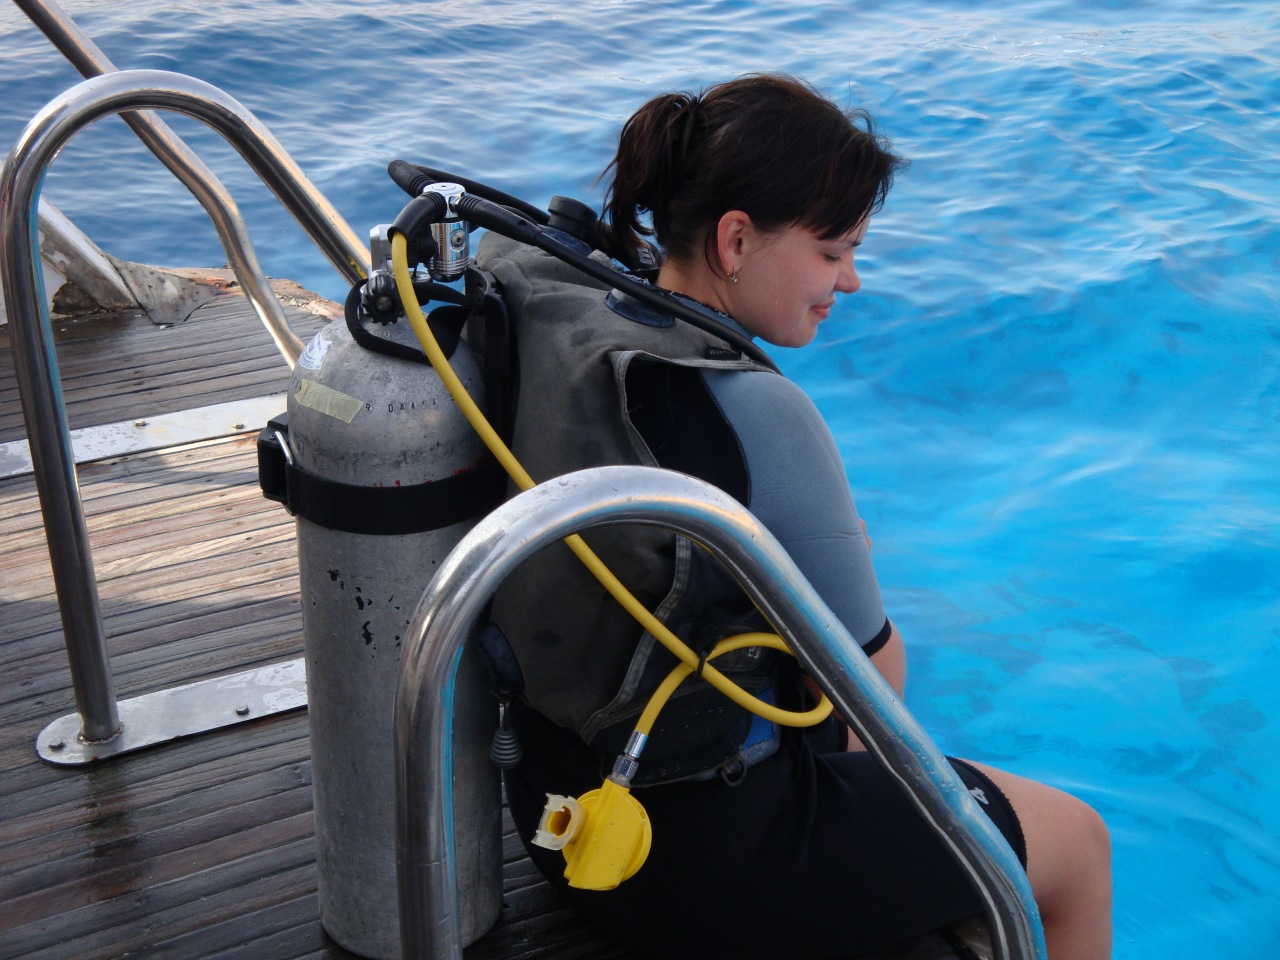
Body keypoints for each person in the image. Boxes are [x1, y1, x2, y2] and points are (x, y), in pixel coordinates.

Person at [480, 74, 1111, 960]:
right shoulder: (755, 413)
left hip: (567, 824)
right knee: (1077, 844)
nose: (850, 279)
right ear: (736, 240)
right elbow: (872, 692)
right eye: (832, 251)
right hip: (710, 874)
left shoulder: (575, 333)